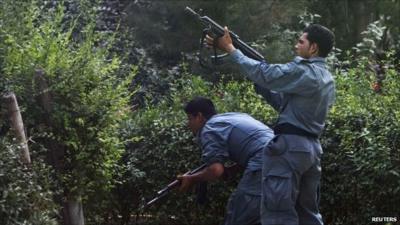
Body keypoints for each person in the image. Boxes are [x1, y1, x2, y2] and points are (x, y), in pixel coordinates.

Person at [206, 24, 335, 225]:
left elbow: (266, 73)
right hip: (310, 150)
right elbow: (283, 103)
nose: (296, 46)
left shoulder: (304, 70)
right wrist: (260, 82)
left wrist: (231, 50)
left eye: (301, 41)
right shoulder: (326, 78)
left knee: (278, 214)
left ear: (313, 48)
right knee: (307, 215)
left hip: (290, 148)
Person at [178, 97, 274, 225]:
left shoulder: (209, 129)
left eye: (189, 118)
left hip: (265, 158)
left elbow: (215, 171)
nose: (188, 124)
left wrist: (191, 178)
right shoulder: (234, 116)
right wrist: (231, 170)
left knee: (239, 213)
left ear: (199, 116)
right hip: (286, 151)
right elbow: (254, 144)